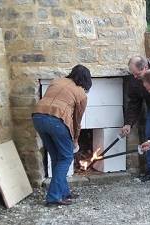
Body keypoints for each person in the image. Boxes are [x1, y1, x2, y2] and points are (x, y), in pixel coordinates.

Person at [32, 65, 92, 206]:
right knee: (66, 157)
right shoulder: (81, 94)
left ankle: (64, 192)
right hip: (57, 121)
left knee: (57, 157)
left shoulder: (56, 81)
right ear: (87, 80)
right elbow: (77, 121)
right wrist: (75, 140)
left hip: (38, 117)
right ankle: (53, 197)